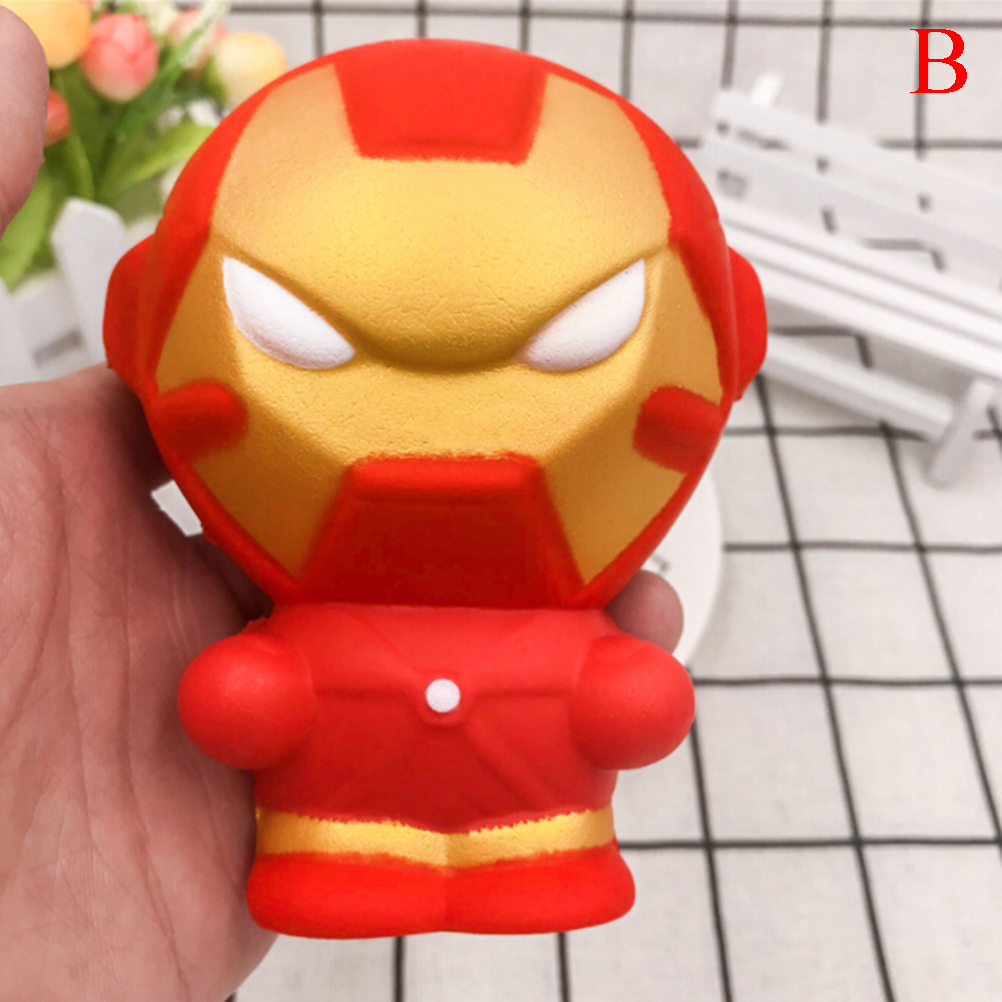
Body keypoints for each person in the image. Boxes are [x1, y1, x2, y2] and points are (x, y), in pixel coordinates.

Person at [0, 8, 684, 999]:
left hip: (549, 812)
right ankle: (335, 859)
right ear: (138, 323)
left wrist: (623, 696)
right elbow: (238, 703)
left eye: (582, 336)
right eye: (297, 336)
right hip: (324, 817)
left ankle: (543, 858)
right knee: (335, 864)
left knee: (542, 854)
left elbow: (637, 705)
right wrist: (251, 693)